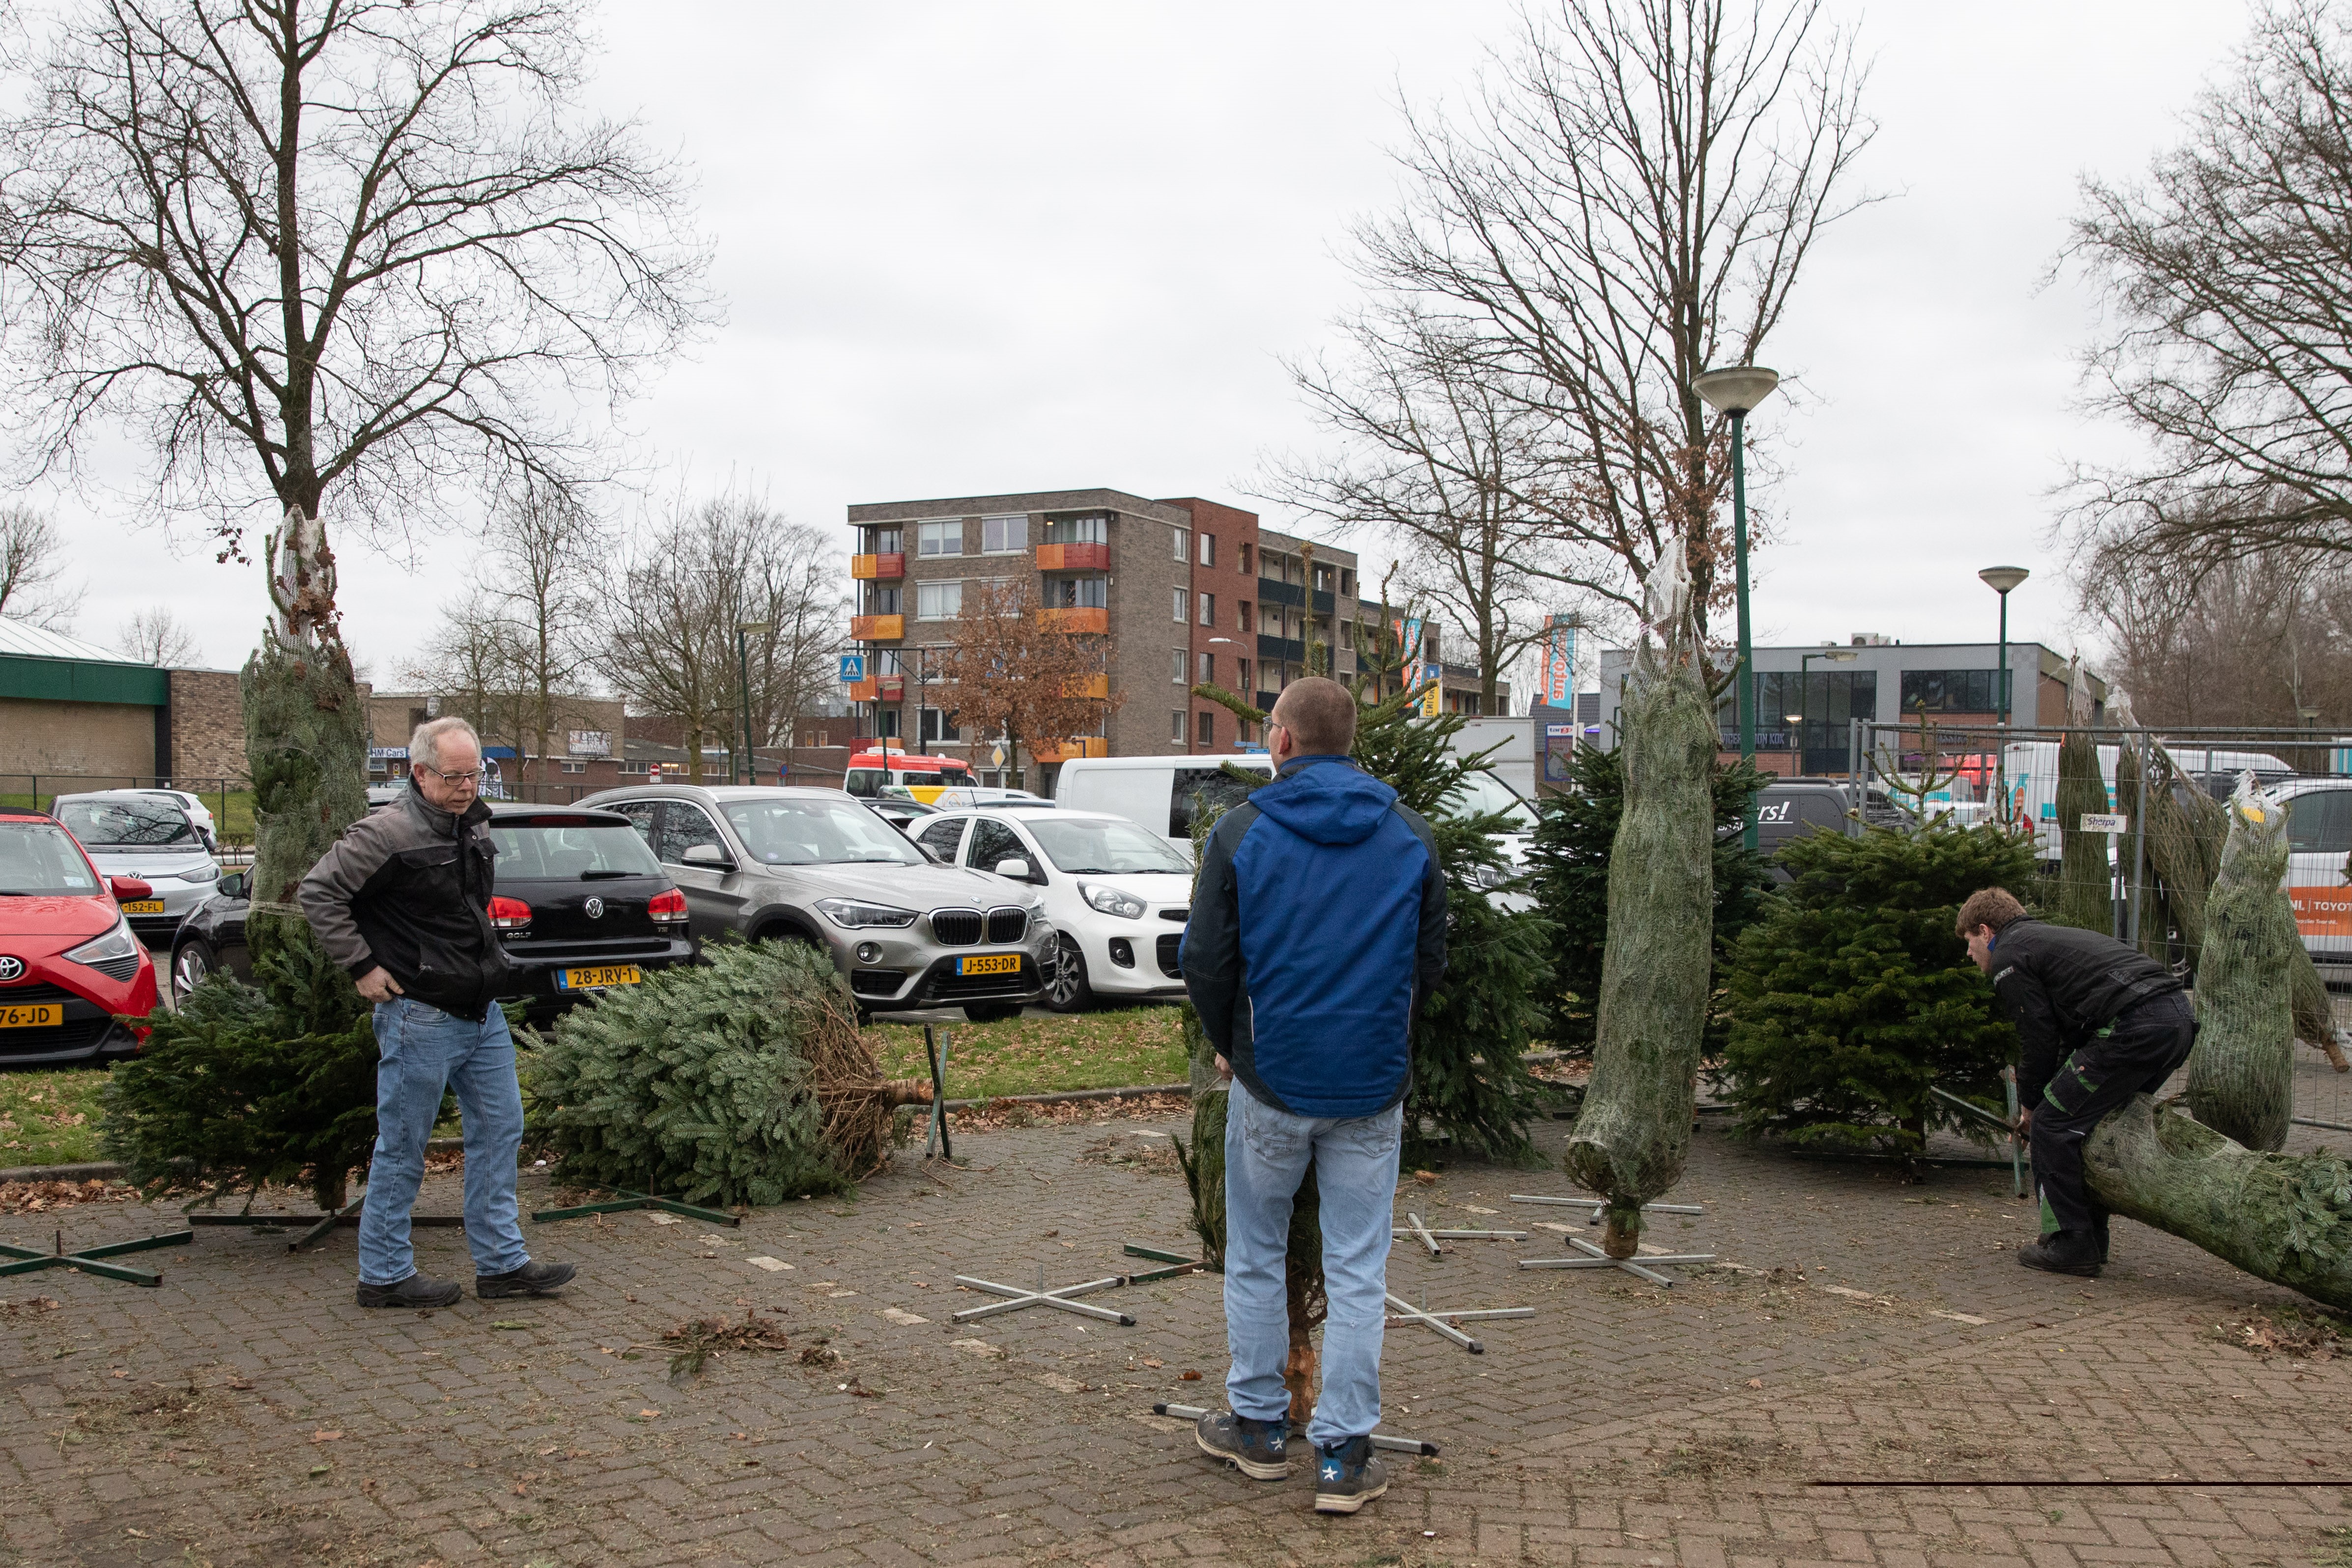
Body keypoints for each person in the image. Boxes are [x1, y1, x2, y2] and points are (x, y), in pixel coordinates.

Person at [1179, 676, 1446, 1515]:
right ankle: (1341, 1456)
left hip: (1271, 1080)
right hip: (1370, 1083)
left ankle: (1258, 1430)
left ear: (1284, 742)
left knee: (1257, 1256)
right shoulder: (1409, 836)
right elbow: (1428, 962)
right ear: (1351, 740)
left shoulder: (1241, 832)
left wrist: (1231, 1046)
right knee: (1359, 1267)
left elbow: (1205, 961)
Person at [299, 717, 575, 1309]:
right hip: (418, 1014)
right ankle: (383, 1274)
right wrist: (361, 966)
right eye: (454, 776)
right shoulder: (386, 833)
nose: (467, 786)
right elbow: (319, 892)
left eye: (475, 774)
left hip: (481, 1010)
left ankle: (502, 1264)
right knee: (403, 1144)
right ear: (419, 772)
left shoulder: (469, 826)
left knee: (501, 1130)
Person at [1958, 887, 2196, 1278]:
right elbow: (2069, 1033)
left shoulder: (2010, 956)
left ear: (1985, 931)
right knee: (2085, 1124)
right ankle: (2090, 1236)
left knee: (2053, 1126)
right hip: (2175, 1021)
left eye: (1969, 943)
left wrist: (2031, 1107)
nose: (1968, 955)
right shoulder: (2045, 940)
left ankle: (2071, 1243)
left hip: (2134, 1026)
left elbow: (2036, 1037)